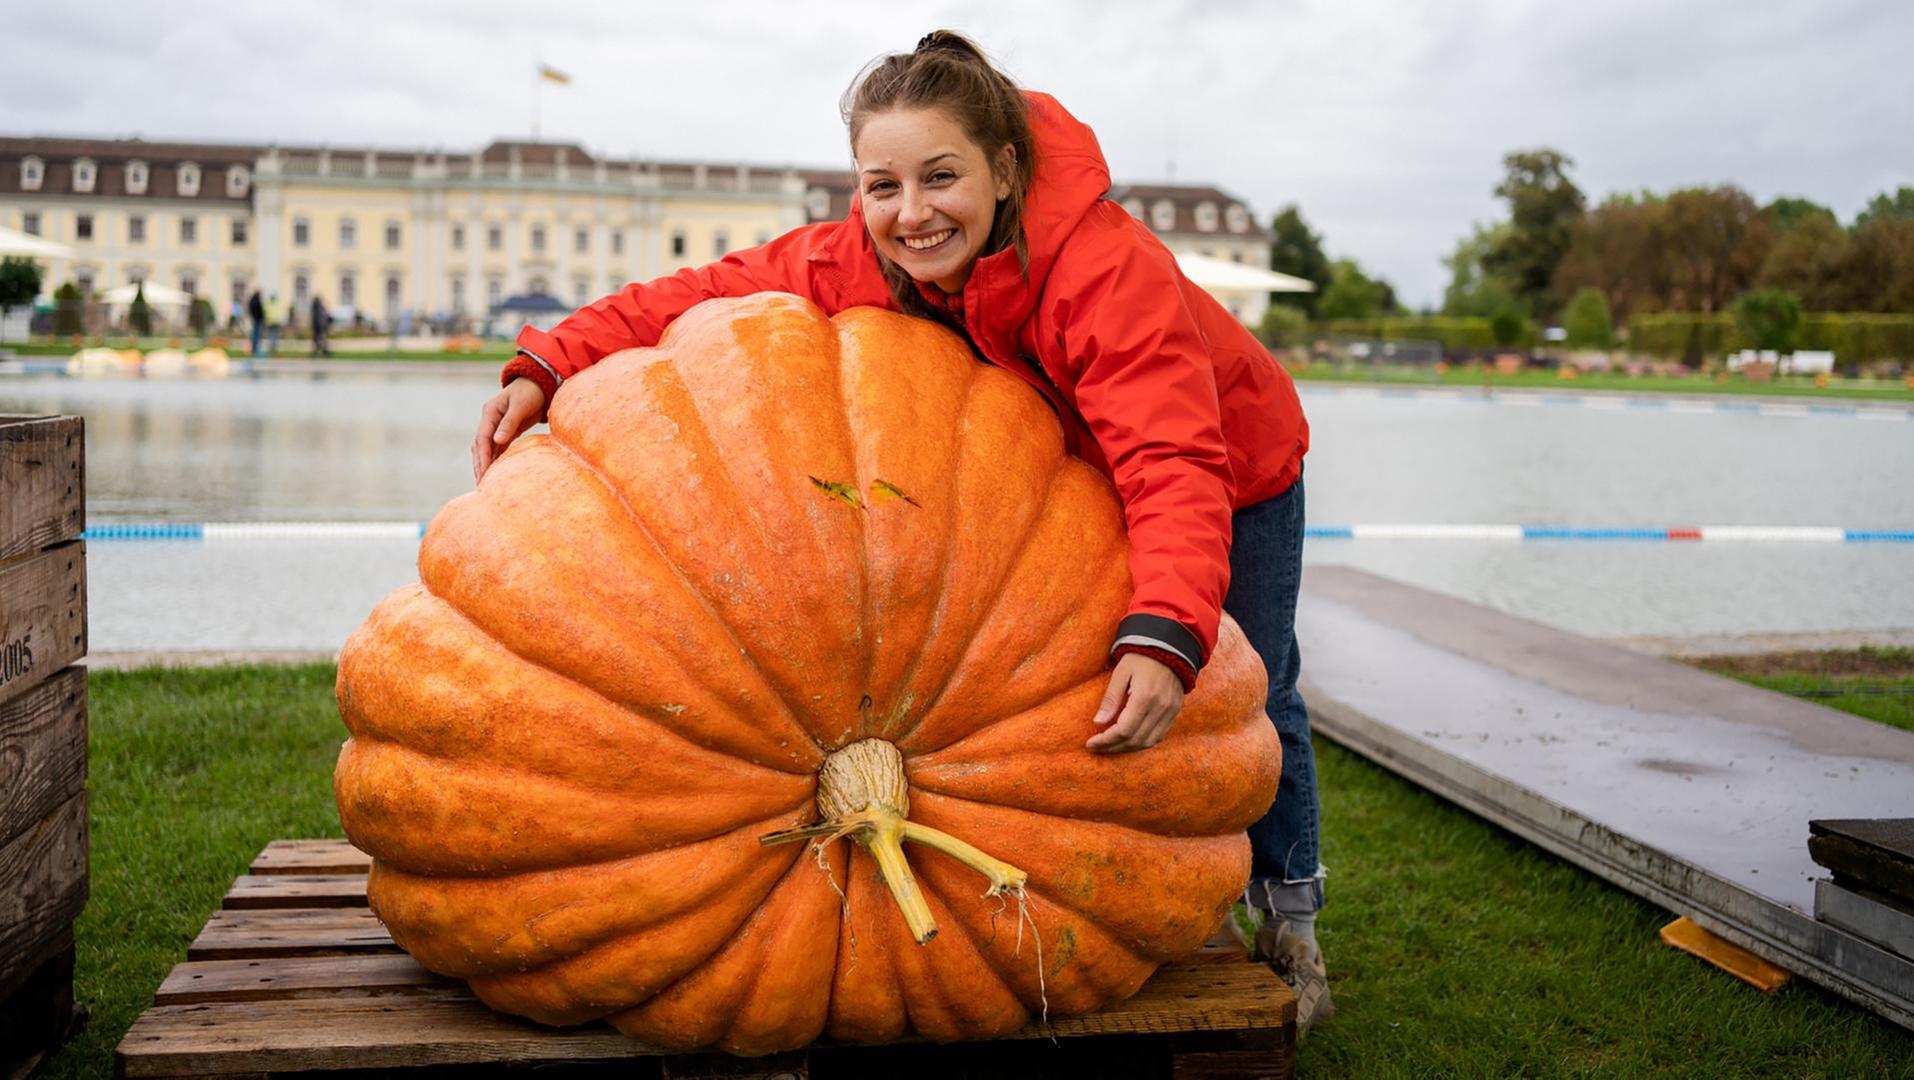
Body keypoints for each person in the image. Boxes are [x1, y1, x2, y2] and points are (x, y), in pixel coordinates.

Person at [470, 31, 1327, 1030]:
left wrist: (1172, 627)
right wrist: (549, 359)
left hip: (1230, 471)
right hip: (1081, 484)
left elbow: (1172, 459)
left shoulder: (1101, 269)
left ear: (1005, 171)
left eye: (941, 177)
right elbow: (703, 293)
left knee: (1250, 688)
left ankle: (1291, 914)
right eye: (883, 184)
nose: (912, 213)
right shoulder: (862, 258)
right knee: (1107, 695)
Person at [263, 292, 287, 357]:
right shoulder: (277, 303)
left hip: (271, 321)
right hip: (275, 321)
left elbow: (265, 312)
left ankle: (273, 349)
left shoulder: (268, 303)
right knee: (274, 336)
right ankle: (273, 350)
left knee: (272, 336)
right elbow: (280, 312)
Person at [247, 289, 265, 357]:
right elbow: (260, 311)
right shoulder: (257, 301)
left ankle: (254, 349)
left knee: (255, 334)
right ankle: (255, 349)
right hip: (257, 320)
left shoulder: (252, 301)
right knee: (256, 335)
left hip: (255, 319)